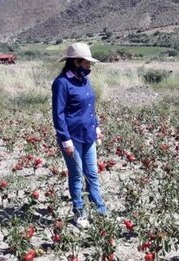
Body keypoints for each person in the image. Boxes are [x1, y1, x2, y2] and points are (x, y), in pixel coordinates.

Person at [52, 42, 107, 229]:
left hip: (89, 134)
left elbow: (90, 108)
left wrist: (96, 127)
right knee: (76, 175)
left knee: (92, 174)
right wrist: (65, 139)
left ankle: (100, 210)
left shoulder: (84, 81)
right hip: (72, 137)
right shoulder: (62, 83)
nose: (89, 66)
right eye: (87, 63)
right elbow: (58, 114)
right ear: (76, 62)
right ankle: (79, 212)